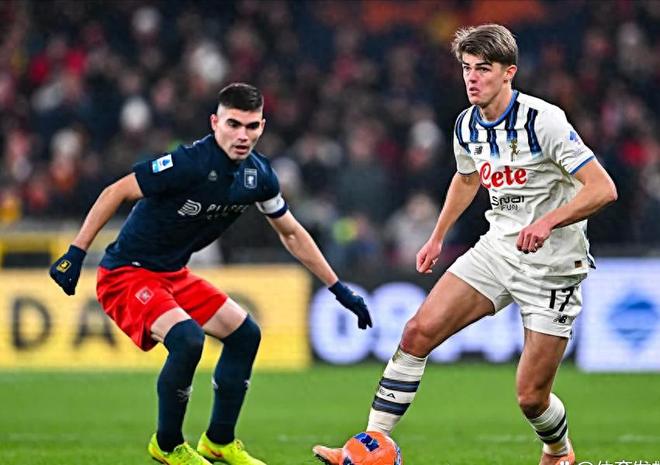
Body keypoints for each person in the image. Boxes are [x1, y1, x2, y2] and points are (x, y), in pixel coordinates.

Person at [312, 24, 617, 465]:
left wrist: (548, 222)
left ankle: (558, 451)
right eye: (467, 68)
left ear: (509, 73)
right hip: (497, 251)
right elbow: (467, 177)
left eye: (484, 69)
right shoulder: (466, 124)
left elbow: (603, 189)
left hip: (552, 266)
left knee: (531, 398)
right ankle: (369, 447)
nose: (472, 78)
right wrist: (437, 236)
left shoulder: (543, 120)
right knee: (417, 332)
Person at [49, 82, 372, 465]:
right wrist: (76, 252)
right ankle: (167, 445)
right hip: (127, 274)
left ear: (262, 127)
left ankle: (219, 441)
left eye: (251, 126)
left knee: (245, 335)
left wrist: (338, 288)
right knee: (187, 339)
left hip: (172, 274)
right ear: (215, 123)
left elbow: (290, 233)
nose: (242, 135)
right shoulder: (189, 163)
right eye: (233, 124)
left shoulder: (259, 175)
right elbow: (116, 191)